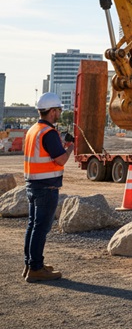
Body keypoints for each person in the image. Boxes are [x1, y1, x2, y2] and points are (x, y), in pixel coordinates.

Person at [23, 92, 74, 282]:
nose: (60, 113)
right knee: (41, 228)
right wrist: (70, 147)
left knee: (32, 226)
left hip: (33, 184)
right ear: (52, 111)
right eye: (59, 110)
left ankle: (31, 264)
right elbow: (60, 160)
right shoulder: (49, 132)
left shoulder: (33, 130)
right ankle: (36, 269)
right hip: (46, 188)